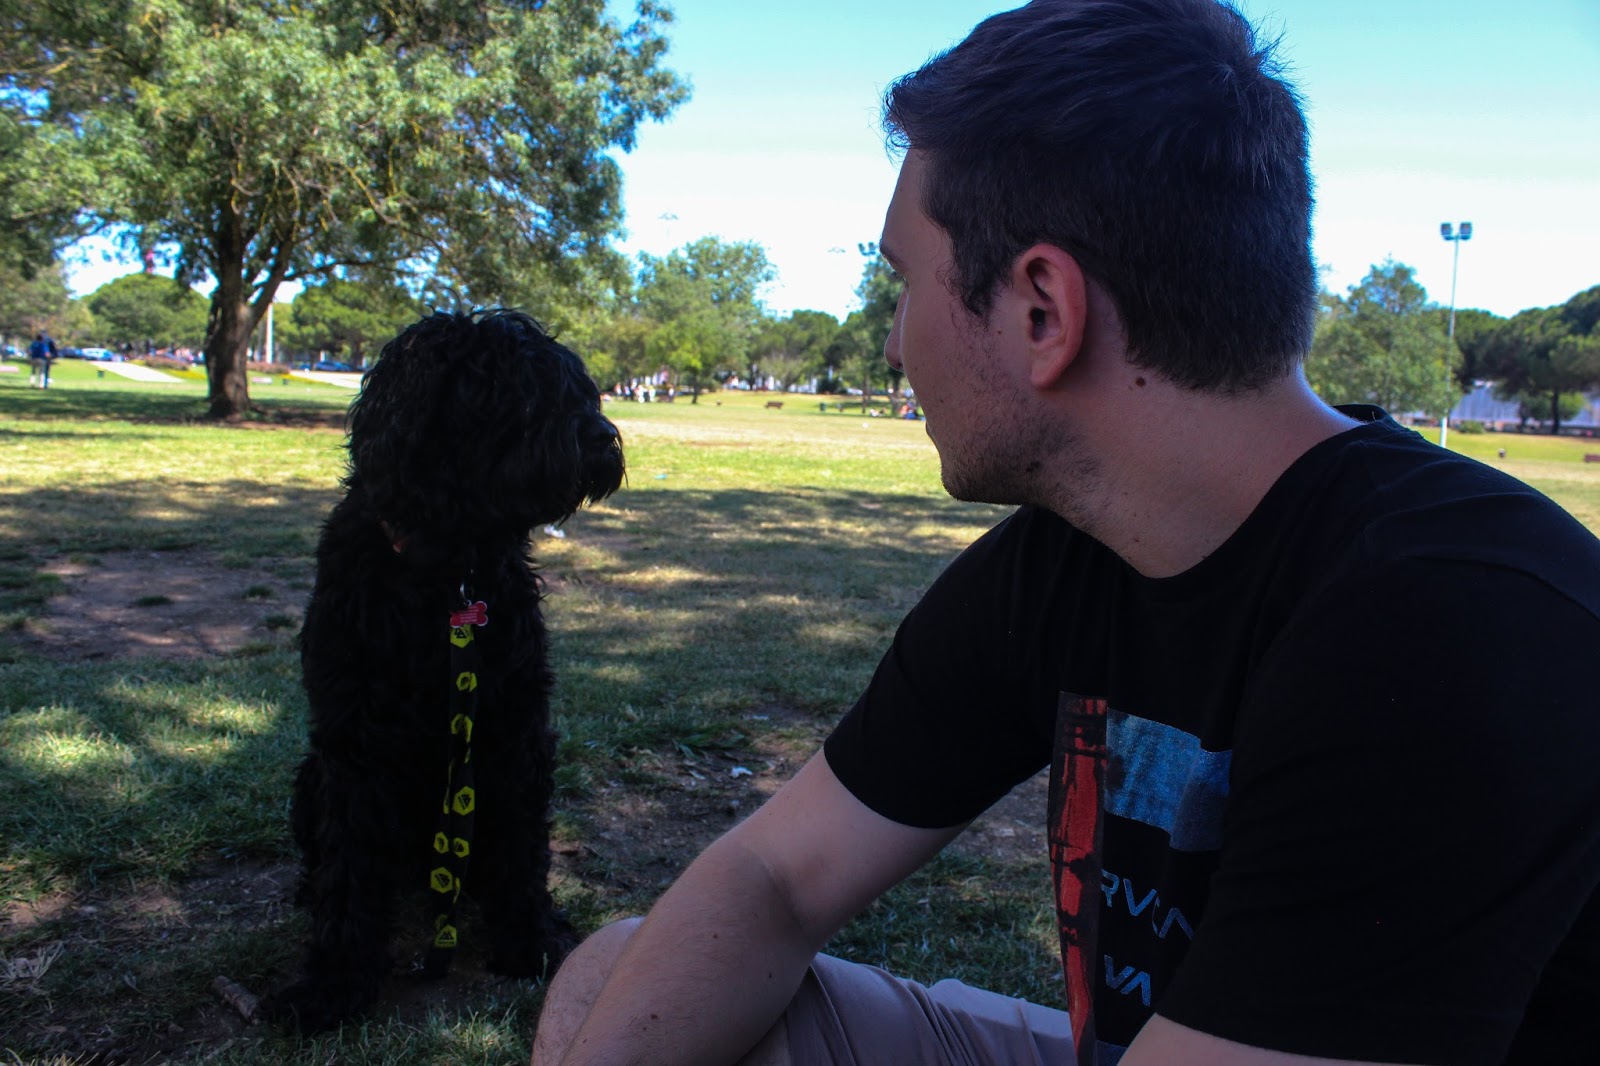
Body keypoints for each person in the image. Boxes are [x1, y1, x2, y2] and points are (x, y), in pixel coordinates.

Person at [532, 1, 1600, 1063]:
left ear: (1043, 310)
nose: (895, 347)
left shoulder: (1456, 624)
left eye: (904, 283)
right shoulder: (1073, 557)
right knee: (618, 975)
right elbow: (776, 875)